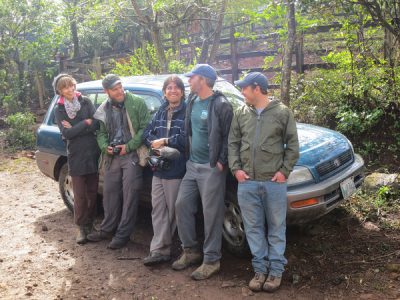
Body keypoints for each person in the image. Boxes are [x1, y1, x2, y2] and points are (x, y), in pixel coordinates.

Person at [228, 72, 299, 292]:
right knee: (253, 228)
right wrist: (236, 169)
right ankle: (260, 271)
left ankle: (275, 272)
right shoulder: (241, 113)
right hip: (247, 182)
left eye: (244, 88)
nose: (242, 92)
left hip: (273, 183)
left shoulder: (282, 113)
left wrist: (284, 172)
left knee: (277, 227)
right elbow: (233, 143)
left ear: (257, 88)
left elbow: (293, 146)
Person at [172, 64, 233, 280]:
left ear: (204, 80)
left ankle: (212, 260)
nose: (188, 81)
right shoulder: (192, 101)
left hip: (211, 168)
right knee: (182, 205)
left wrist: (221, 161)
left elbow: (229, 137)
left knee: (211, 214)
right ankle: (191, 251)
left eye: (192, 77)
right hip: (192, 165)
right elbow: (190, 132)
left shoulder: (221, 104)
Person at [87, 74, 150, 249]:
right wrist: (104, 146)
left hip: (131, 154)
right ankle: (107, 229)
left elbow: (145, 128)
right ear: (106, 91)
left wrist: (129, 146)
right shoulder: (103, 108)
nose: (120, 91)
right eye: (115, 89)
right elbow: (100, 132)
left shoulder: (136, 102)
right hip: (112, 156)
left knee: (130, 196)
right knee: (109, 194)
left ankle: (123, 234)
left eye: (120, 86)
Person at [142, 75, 187, 266]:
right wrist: (154, 144)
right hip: (158, 169)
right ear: (164, 93)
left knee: (173, 211)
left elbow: (186, 139)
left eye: (176, 88)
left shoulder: (187, 112)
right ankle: (158, 250)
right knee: (158, 209)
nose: (172, 91)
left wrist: (167, 142)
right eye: (168, 88)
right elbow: (146, 133)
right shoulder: (160, 111)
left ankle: (167, 248)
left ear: (182, 92)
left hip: (176, 169)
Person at [53, 74, 100, 245]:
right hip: (75, 154)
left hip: (91, 151)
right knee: (79, 195)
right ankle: (81, 227)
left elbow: (96, 123)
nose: (70, 89)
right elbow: (66, 134)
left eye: (72, 85)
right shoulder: (59, 109)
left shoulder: (86, 101)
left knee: (92, 193)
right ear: (60, 91)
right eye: (65, 87)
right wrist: (85, 123)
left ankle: (91, 225)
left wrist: (78, 126)